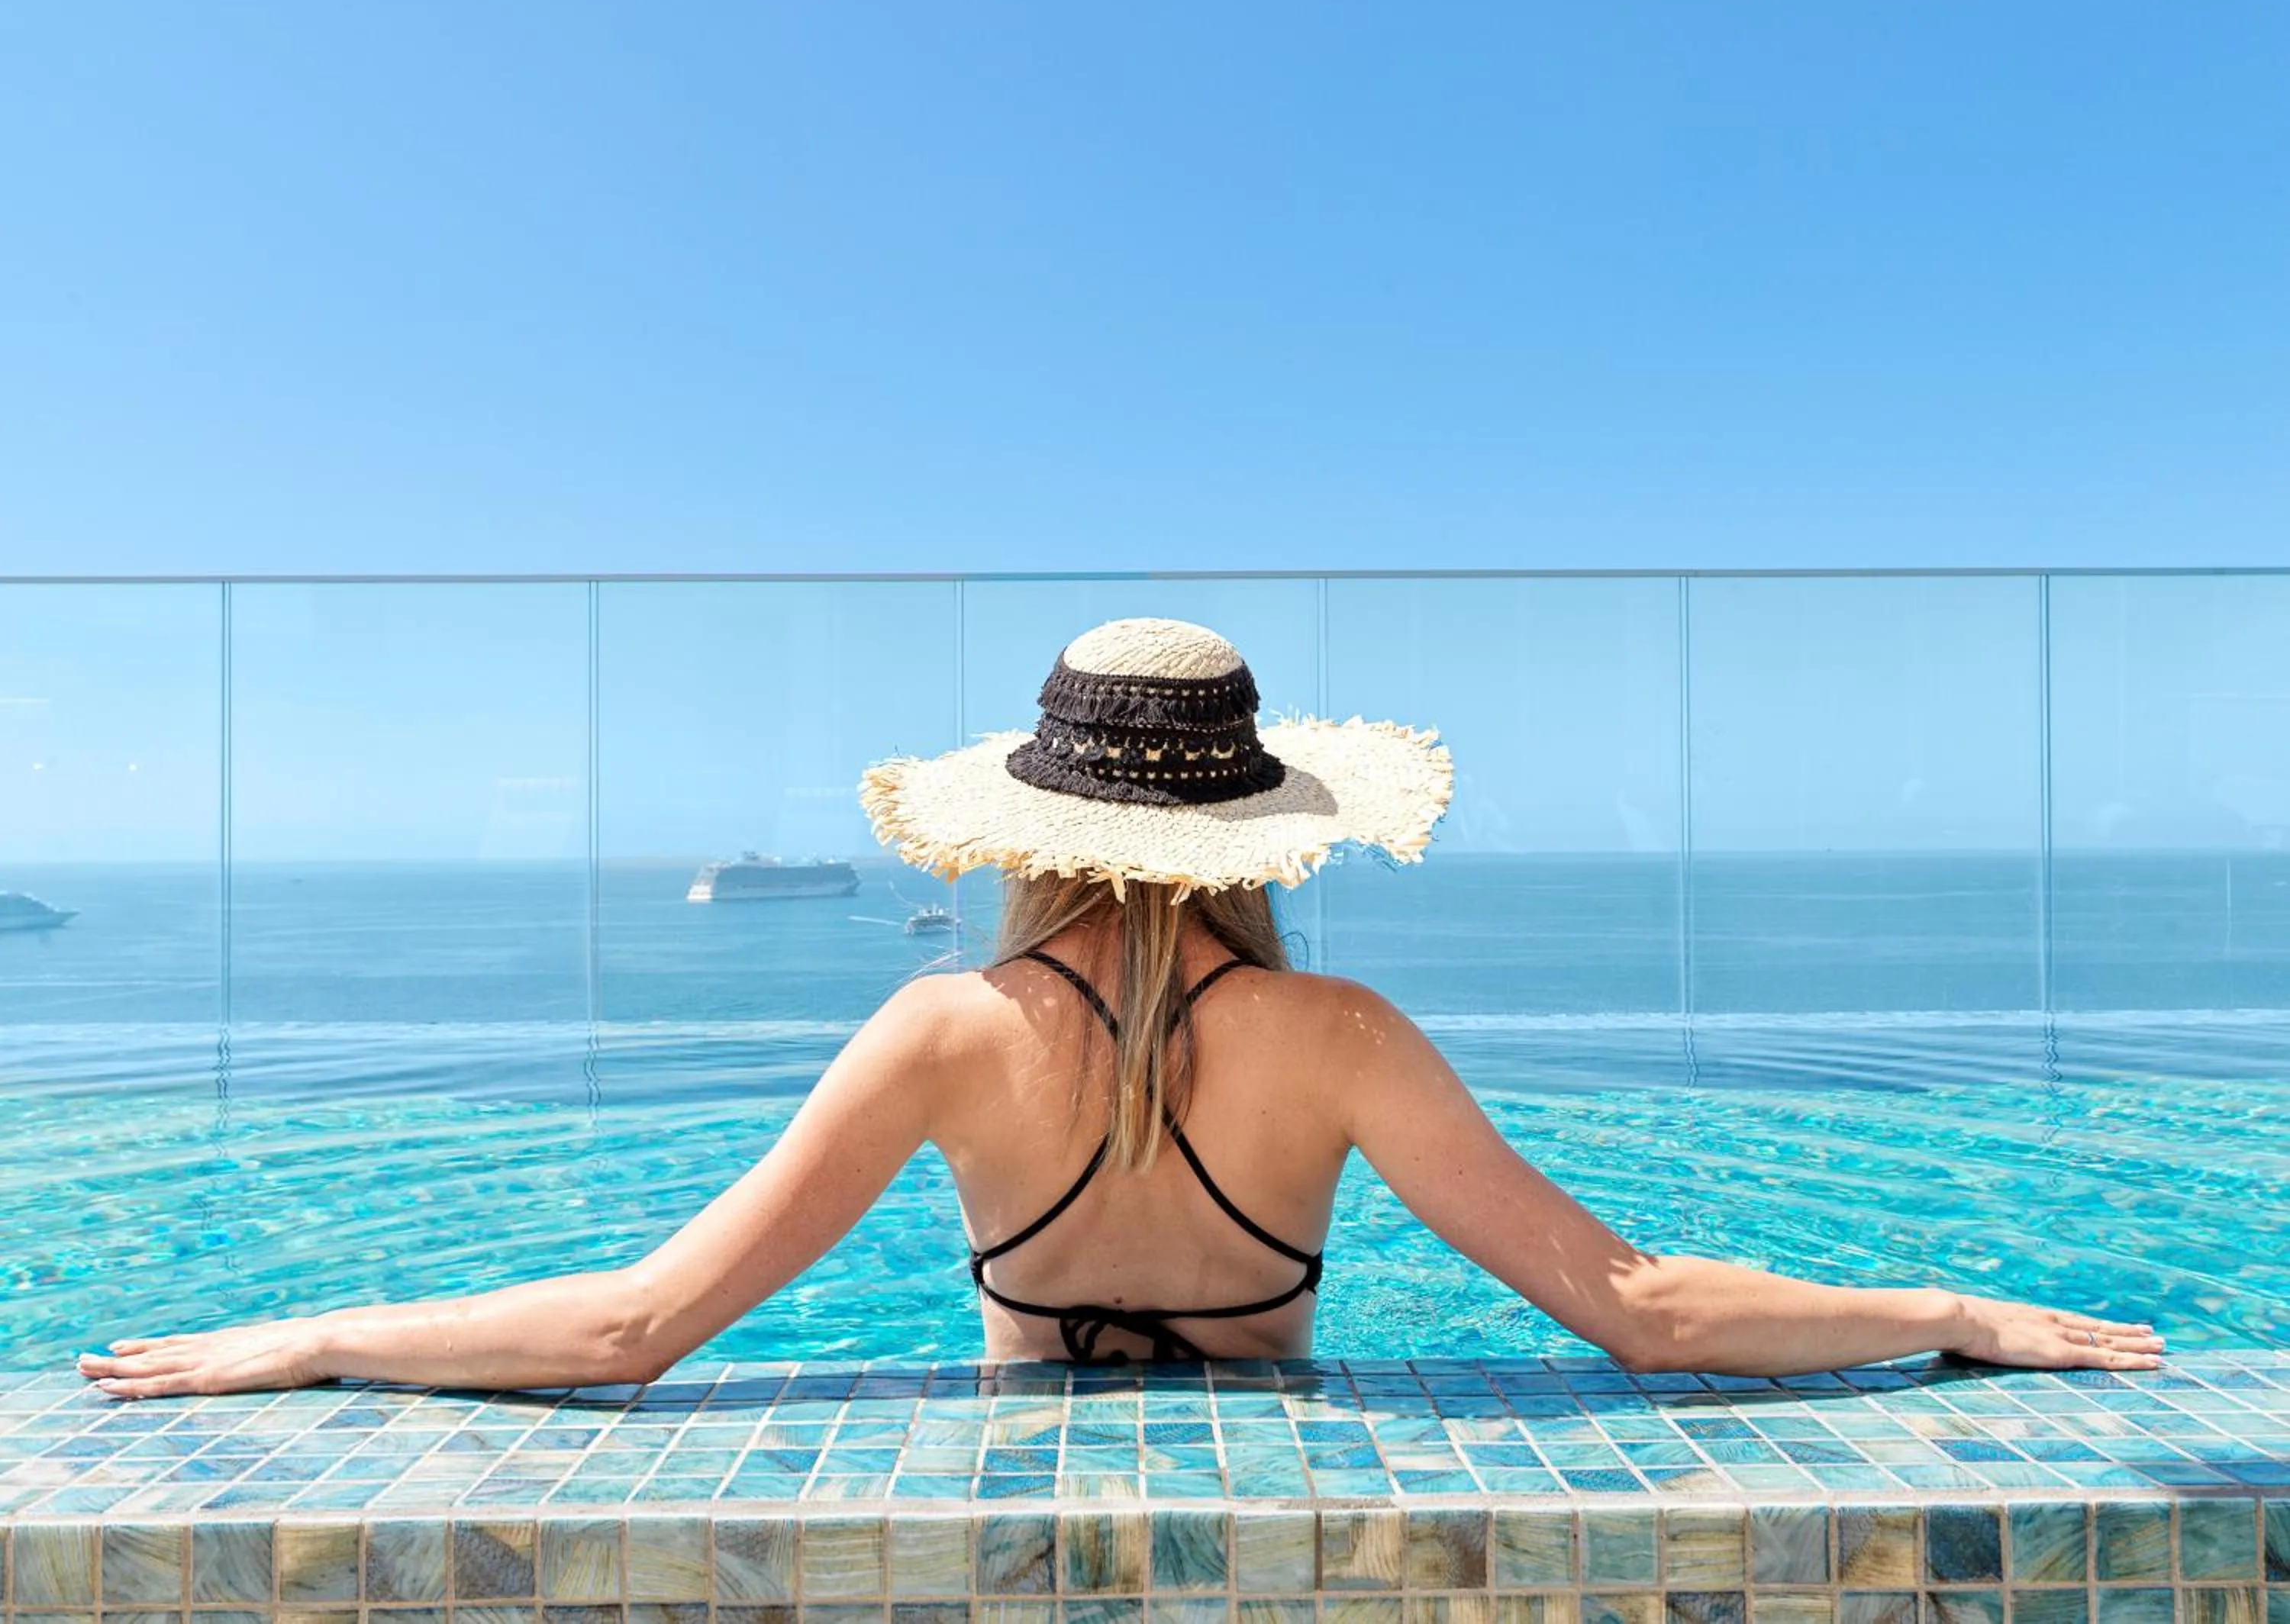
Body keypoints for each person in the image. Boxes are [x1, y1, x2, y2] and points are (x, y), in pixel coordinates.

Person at [79, 617, 2161, 1399]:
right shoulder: (1337, 1039)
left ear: (1027, 830)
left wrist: (323, 1335)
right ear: (1268, 836)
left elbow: (637, 1328)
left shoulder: (940, 1039)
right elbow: (1643, 1309)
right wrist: (1943, 1311)